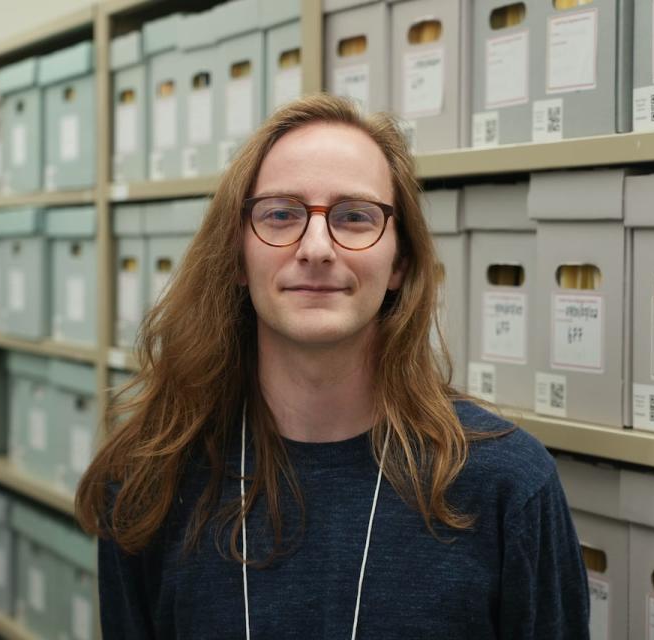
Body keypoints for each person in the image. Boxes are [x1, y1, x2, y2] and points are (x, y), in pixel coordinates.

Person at [76, 94, 590, 639]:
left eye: (354, 216)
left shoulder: (507, 486)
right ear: (237, 259)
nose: (317, 247)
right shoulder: (146, 482)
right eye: (280, 214)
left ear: (400, 263)